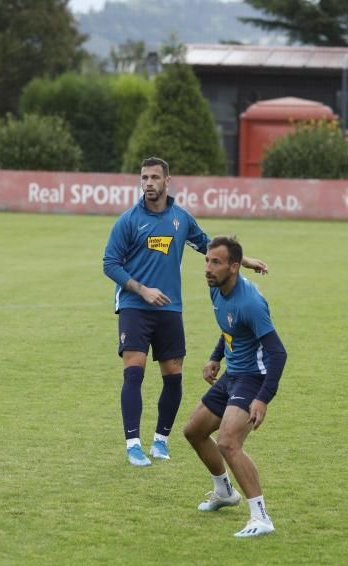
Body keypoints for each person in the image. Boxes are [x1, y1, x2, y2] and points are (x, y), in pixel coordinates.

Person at [103, 156, 267, 467]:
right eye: (144, 178)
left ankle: (160, 441)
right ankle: (133, 444)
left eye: (154, 177)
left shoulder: (180, 218)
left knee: (174, 378)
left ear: (167, 181)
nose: (148, 183)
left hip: (170, 308)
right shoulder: (127, 220)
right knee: (134, 372)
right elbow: (110, 263)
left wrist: (244, 261)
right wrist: (142, 290)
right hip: (134, 305)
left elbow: (208, 245)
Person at [182, 236, 287, 538]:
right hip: (232, 373)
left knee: (228, 442)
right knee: (194, 431)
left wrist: (263, 398)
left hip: (253, 377)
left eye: (215, 262)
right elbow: (230, 326)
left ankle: (261, 517)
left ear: (233, 267)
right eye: (207, 261)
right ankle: (225, 492)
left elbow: (278, 353)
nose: (208, 268)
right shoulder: (216, 287)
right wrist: (216, 357)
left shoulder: (250, 302)